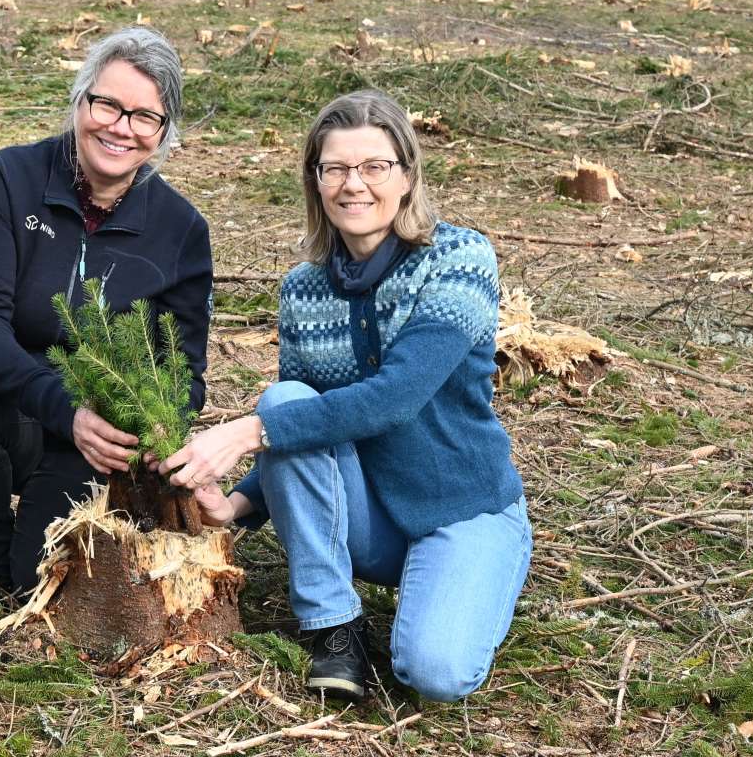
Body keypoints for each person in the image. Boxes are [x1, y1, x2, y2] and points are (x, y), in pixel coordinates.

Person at [158, 89, 530, 703]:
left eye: (374, 167)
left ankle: (480, 569)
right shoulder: (304, 290)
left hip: (464, 508)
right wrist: (238, 507)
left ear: (407, 176)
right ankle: (334, 628)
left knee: (436, 675)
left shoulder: (458, 259)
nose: (353, 185)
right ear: (316, 180)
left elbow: (397, 398)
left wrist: (245, 432)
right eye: (335, 168)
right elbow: (304, 429)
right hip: (370, 519)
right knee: (286, 401)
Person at [0, 27, 211, 603]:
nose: (120, 128)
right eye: (108, 105)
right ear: (80, 102)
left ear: (163, 134)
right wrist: (63, 407)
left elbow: (185, 373)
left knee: (39, 583)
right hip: (11, 411)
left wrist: (153, 431)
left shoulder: (182, 231)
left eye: (145, 117)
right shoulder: (8, 180)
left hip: (99, 448)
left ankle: (18, 565)